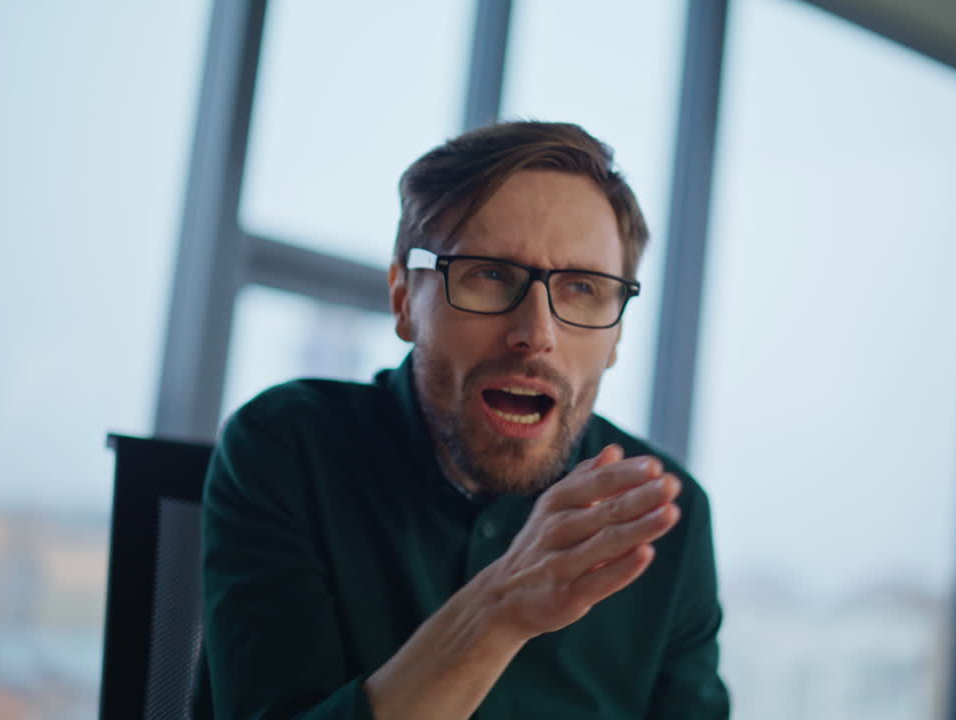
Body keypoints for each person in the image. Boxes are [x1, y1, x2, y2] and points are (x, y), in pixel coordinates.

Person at [201, 121, 729, 719]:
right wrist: (496, 612)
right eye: (489, 274)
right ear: (404, 298)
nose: (536, 334)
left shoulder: (666, 519)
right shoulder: (287, 447)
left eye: (583, 288)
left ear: (616, 336)